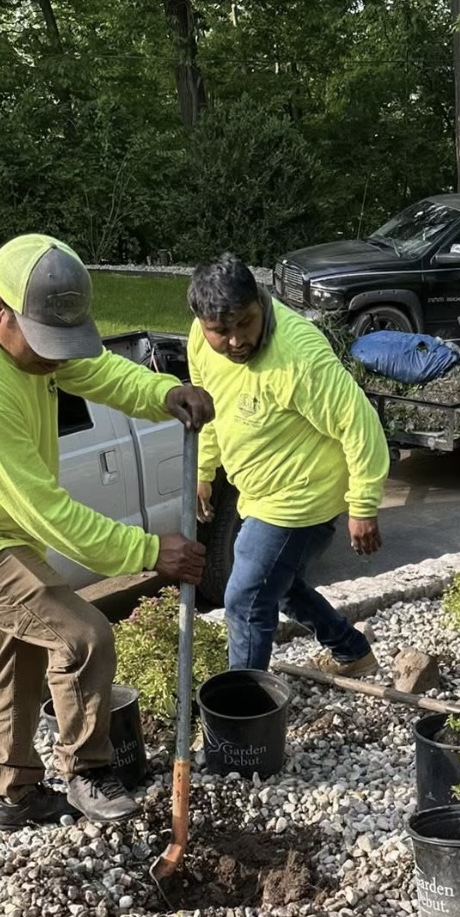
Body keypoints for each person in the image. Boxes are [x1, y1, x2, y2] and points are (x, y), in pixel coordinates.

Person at [0, 233, 212, 830]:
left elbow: (86, 365)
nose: (53, 360)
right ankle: (86, 770)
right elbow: (47, 512)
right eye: (43, 346)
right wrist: (147, 550)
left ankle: (15, 797)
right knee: (82, 637)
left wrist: (162, 392)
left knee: (15, 654)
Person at [186, 253, 389, 675]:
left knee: (245, 598)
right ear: (203, 323)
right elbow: (210, 406)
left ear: (259, 303)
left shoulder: (299, 356)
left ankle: (244, 704)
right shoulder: (200, 340)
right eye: (221, 331)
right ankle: (352, 651)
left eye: (245, 323)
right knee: (276, 583)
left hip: (302, 495)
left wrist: (363, 504)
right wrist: (205, 470)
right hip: (257, 490)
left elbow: (360, 422)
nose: (236, 341)